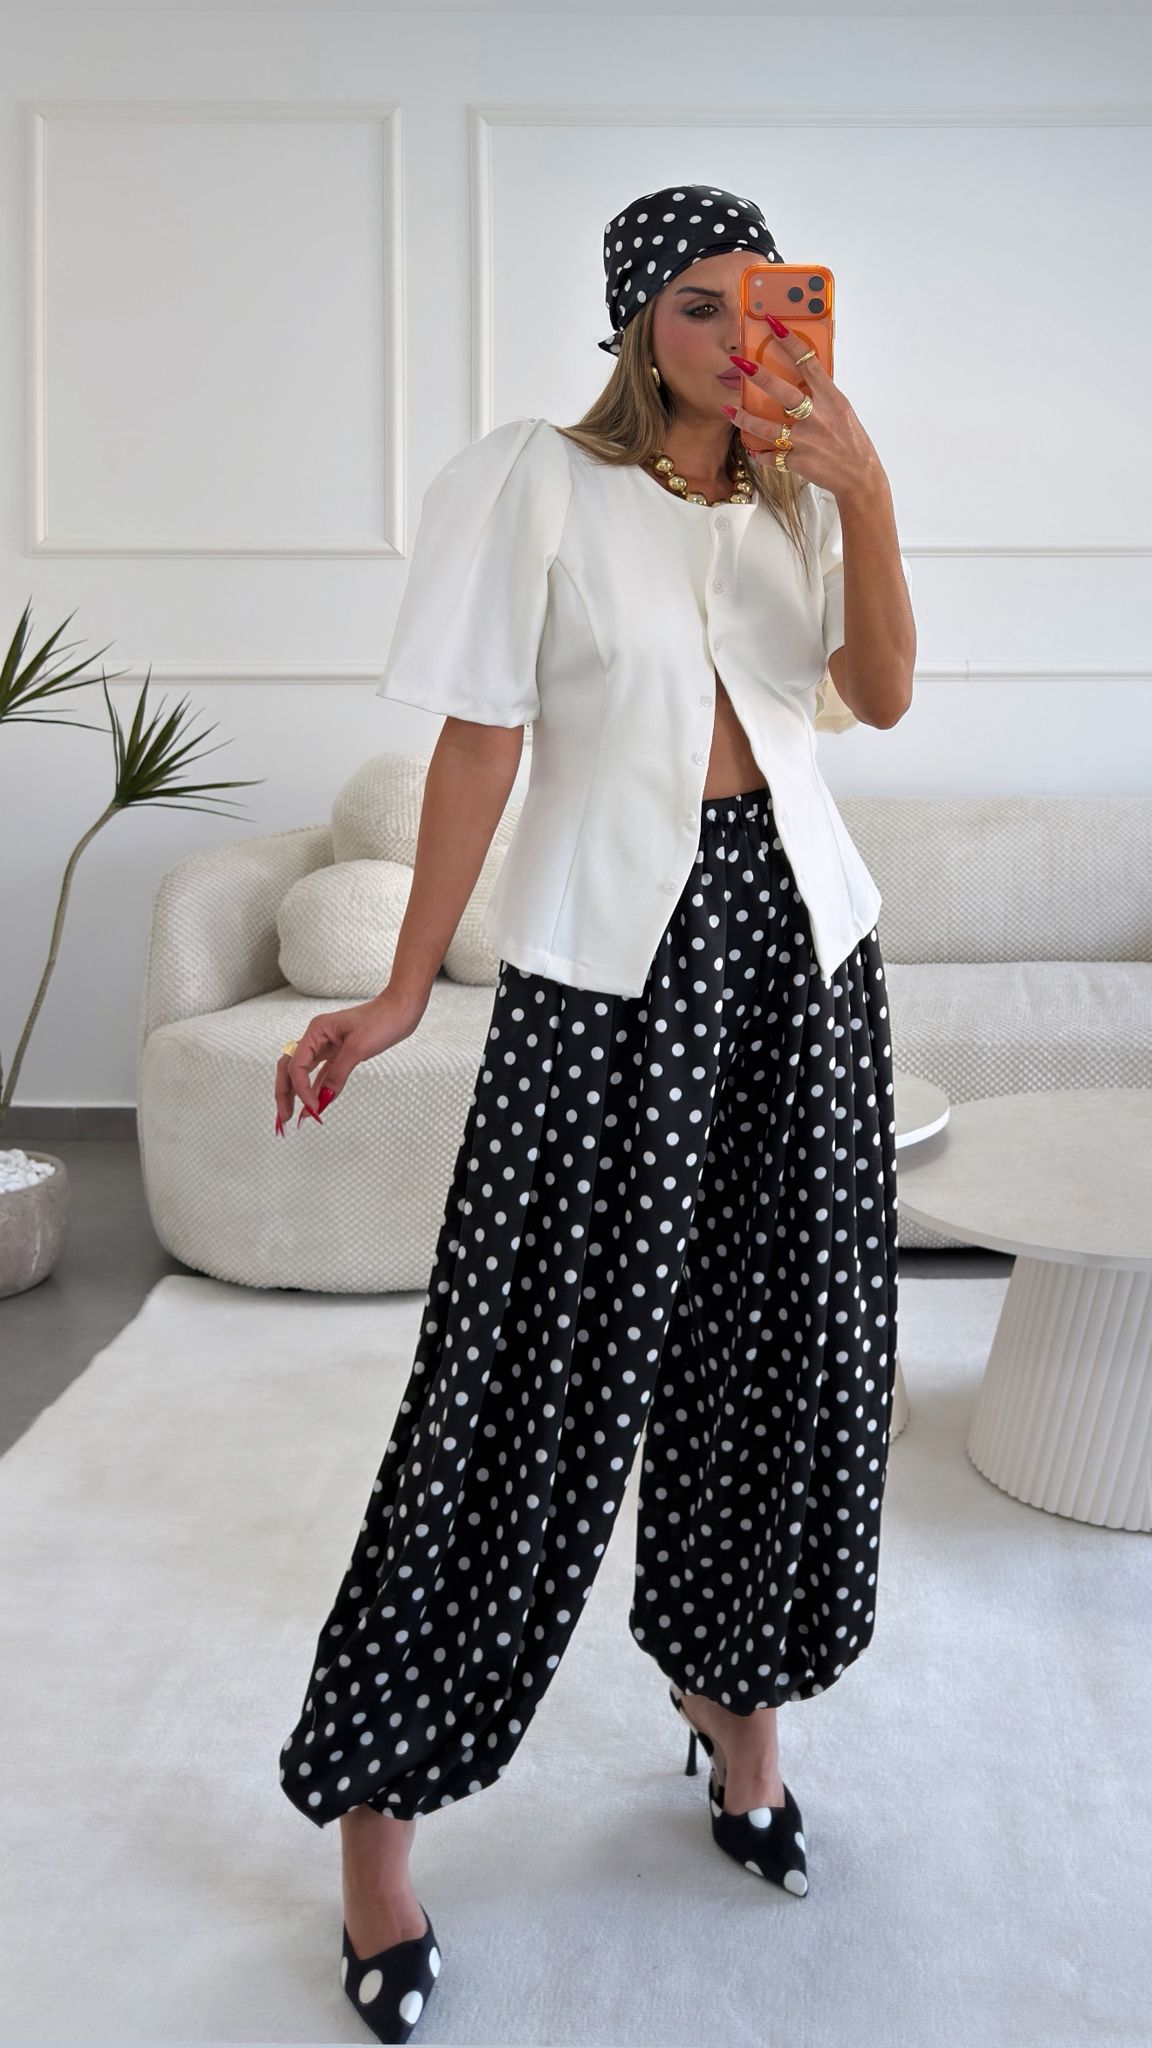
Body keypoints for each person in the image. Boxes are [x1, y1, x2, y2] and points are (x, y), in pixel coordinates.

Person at [274, 183, 916, 2045]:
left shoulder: (801, 496)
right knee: (518, 1390)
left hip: (805, 958)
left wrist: (868, 490)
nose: (735, 337)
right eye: (697, 306)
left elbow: (876, 699)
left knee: (784, 1363)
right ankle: (382, 1826)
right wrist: (407, 984)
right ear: (638, 324)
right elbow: (482, 738)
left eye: (764, 302)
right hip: (603, 982)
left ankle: (739, 1718)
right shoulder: (533, 483)